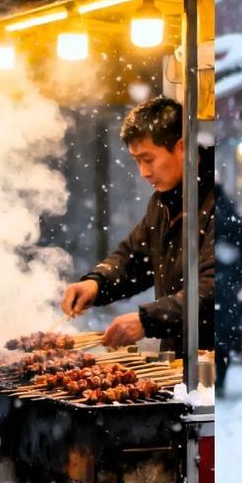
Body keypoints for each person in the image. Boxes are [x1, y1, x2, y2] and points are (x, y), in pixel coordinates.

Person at [61, 96, 213, 354]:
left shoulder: (214, 202)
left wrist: (149, 319)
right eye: (136, 161)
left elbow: (212, 290)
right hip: (179, 362)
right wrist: (96, 284)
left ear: (182, 147)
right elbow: (134, 257)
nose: (143, 172)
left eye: (148, 159)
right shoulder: (163, 204)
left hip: (208, 364)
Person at [213, 182, 242, 391]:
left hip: (221, 284)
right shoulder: (227, 210)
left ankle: (216, 381)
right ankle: (218, 380)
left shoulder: (219, 212)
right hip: (225, 286)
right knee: (222, 339)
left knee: (219, 338)